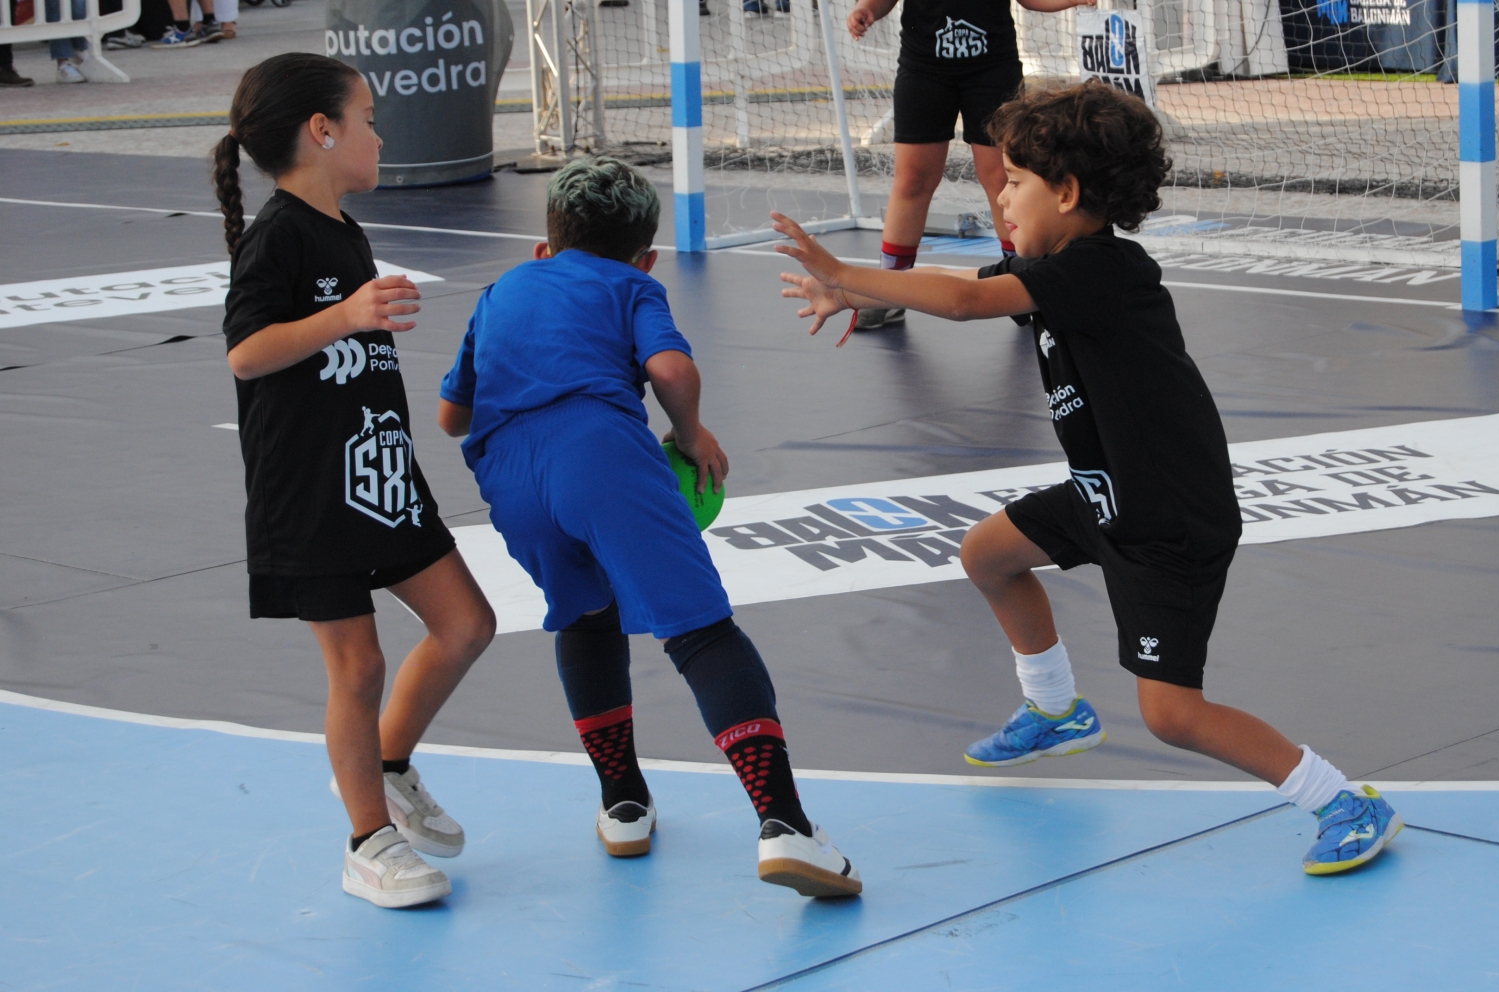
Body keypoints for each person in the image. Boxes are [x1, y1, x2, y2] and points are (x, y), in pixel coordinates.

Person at [771, 82, 1404, 878]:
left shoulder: (1103, 271)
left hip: (1167, 521)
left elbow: (964, 301)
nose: (1000, 199)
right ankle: (1055, 707)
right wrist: (849, 293)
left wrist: (847, 269)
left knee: (1171, 715)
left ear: (1067, 193)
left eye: (1013, 183)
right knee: (986, 554)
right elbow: (973, 284)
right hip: (1104, 492)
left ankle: (1342, 801)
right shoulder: (1052, 267)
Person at [436, 157, 862, 899]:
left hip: (507, 478)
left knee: (584, 614)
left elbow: (452, 417)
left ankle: (623, 804)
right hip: (599, 454)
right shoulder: (632, 286)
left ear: (543, 247)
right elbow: (671, 371)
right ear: (647, 257)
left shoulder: (501, 289)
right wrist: (691, 435)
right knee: (701, 632)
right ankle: (786, 825)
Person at [215, 53, 497, 909]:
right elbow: (246, 351)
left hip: (377, 476)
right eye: (367, 118)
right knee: (358, 664)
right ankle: (368, 841)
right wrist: (345, 314)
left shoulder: (342, 229)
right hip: (307, 492)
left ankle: (387, 764)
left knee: (467, 623)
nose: (379, 135)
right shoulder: (278, 235)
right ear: (322, 130)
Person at [844, 0, 1097, 327]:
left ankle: (1022, 286)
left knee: (1003, 176)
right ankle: (890, 291)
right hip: (924, 72)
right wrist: (867, 9)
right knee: (914, 179)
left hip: (992, 72)